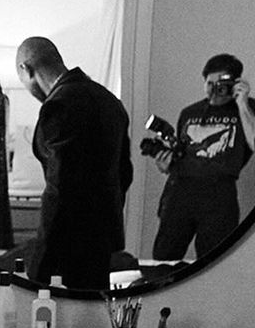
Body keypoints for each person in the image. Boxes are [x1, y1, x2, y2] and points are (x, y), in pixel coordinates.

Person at [15, 36, 132, 290]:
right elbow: (125, 173)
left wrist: (41, 259)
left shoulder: (59, 105)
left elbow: (60, 187)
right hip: (103, 239)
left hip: (66, 244)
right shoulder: (110, 101)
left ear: (27, 69)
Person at [148, 53, 255, 260]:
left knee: (214, 261)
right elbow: (182, 153)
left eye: (221, 83)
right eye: (209, 83)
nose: (214, 90)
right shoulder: (190, 112)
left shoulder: (248, 109)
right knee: (164, 257)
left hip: (219, 194)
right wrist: (167, 165)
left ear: (235, 83)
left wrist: (242, 103)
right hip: (180, 191)